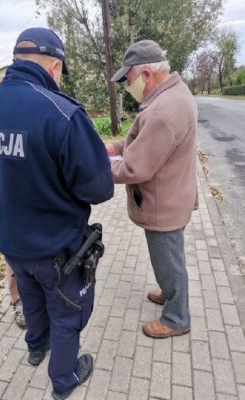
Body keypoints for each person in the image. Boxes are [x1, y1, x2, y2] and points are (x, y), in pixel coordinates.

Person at [0, 27, 114, 399]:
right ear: (55, 66)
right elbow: (99, 188)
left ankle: (36, 347)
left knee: (32, 299)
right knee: (67, 313)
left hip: (11, 241)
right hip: (56, 247)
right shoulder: (62, 113)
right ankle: (64, 379)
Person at [106, 40, 198, 339]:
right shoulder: (174, 93)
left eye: (128, 79)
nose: (126, 86)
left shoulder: (162, 111)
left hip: (163, 203)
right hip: (173, 194)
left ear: (146, 74)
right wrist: (116, 147)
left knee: (168, 259)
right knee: (169, 257)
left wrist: (96, 169)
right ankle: (170, 291)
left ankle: (176, 317)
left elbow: (135, 168)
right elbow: (145, 143)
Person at [0, 79, 26, 329]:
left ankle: (29, 299)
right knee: (12, 261)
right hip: (7, 209)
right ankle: (17, 301)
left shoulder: (19, 125)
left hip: (21, 208)